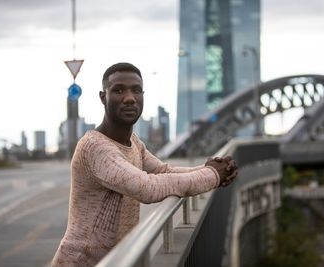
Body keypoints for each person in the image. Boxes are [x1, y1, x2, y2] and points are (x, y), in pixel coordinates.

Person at [51, 62, 238, 267]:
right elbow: (147, 188)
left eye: (136, 90)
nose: (130, 98)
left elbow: (163, 170)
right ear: (103, 97)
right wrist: (213, 175)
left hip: (117, 260)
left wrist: (208, 169)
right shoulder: (95, 147)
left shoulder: (133, 142)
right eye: (118, 90)